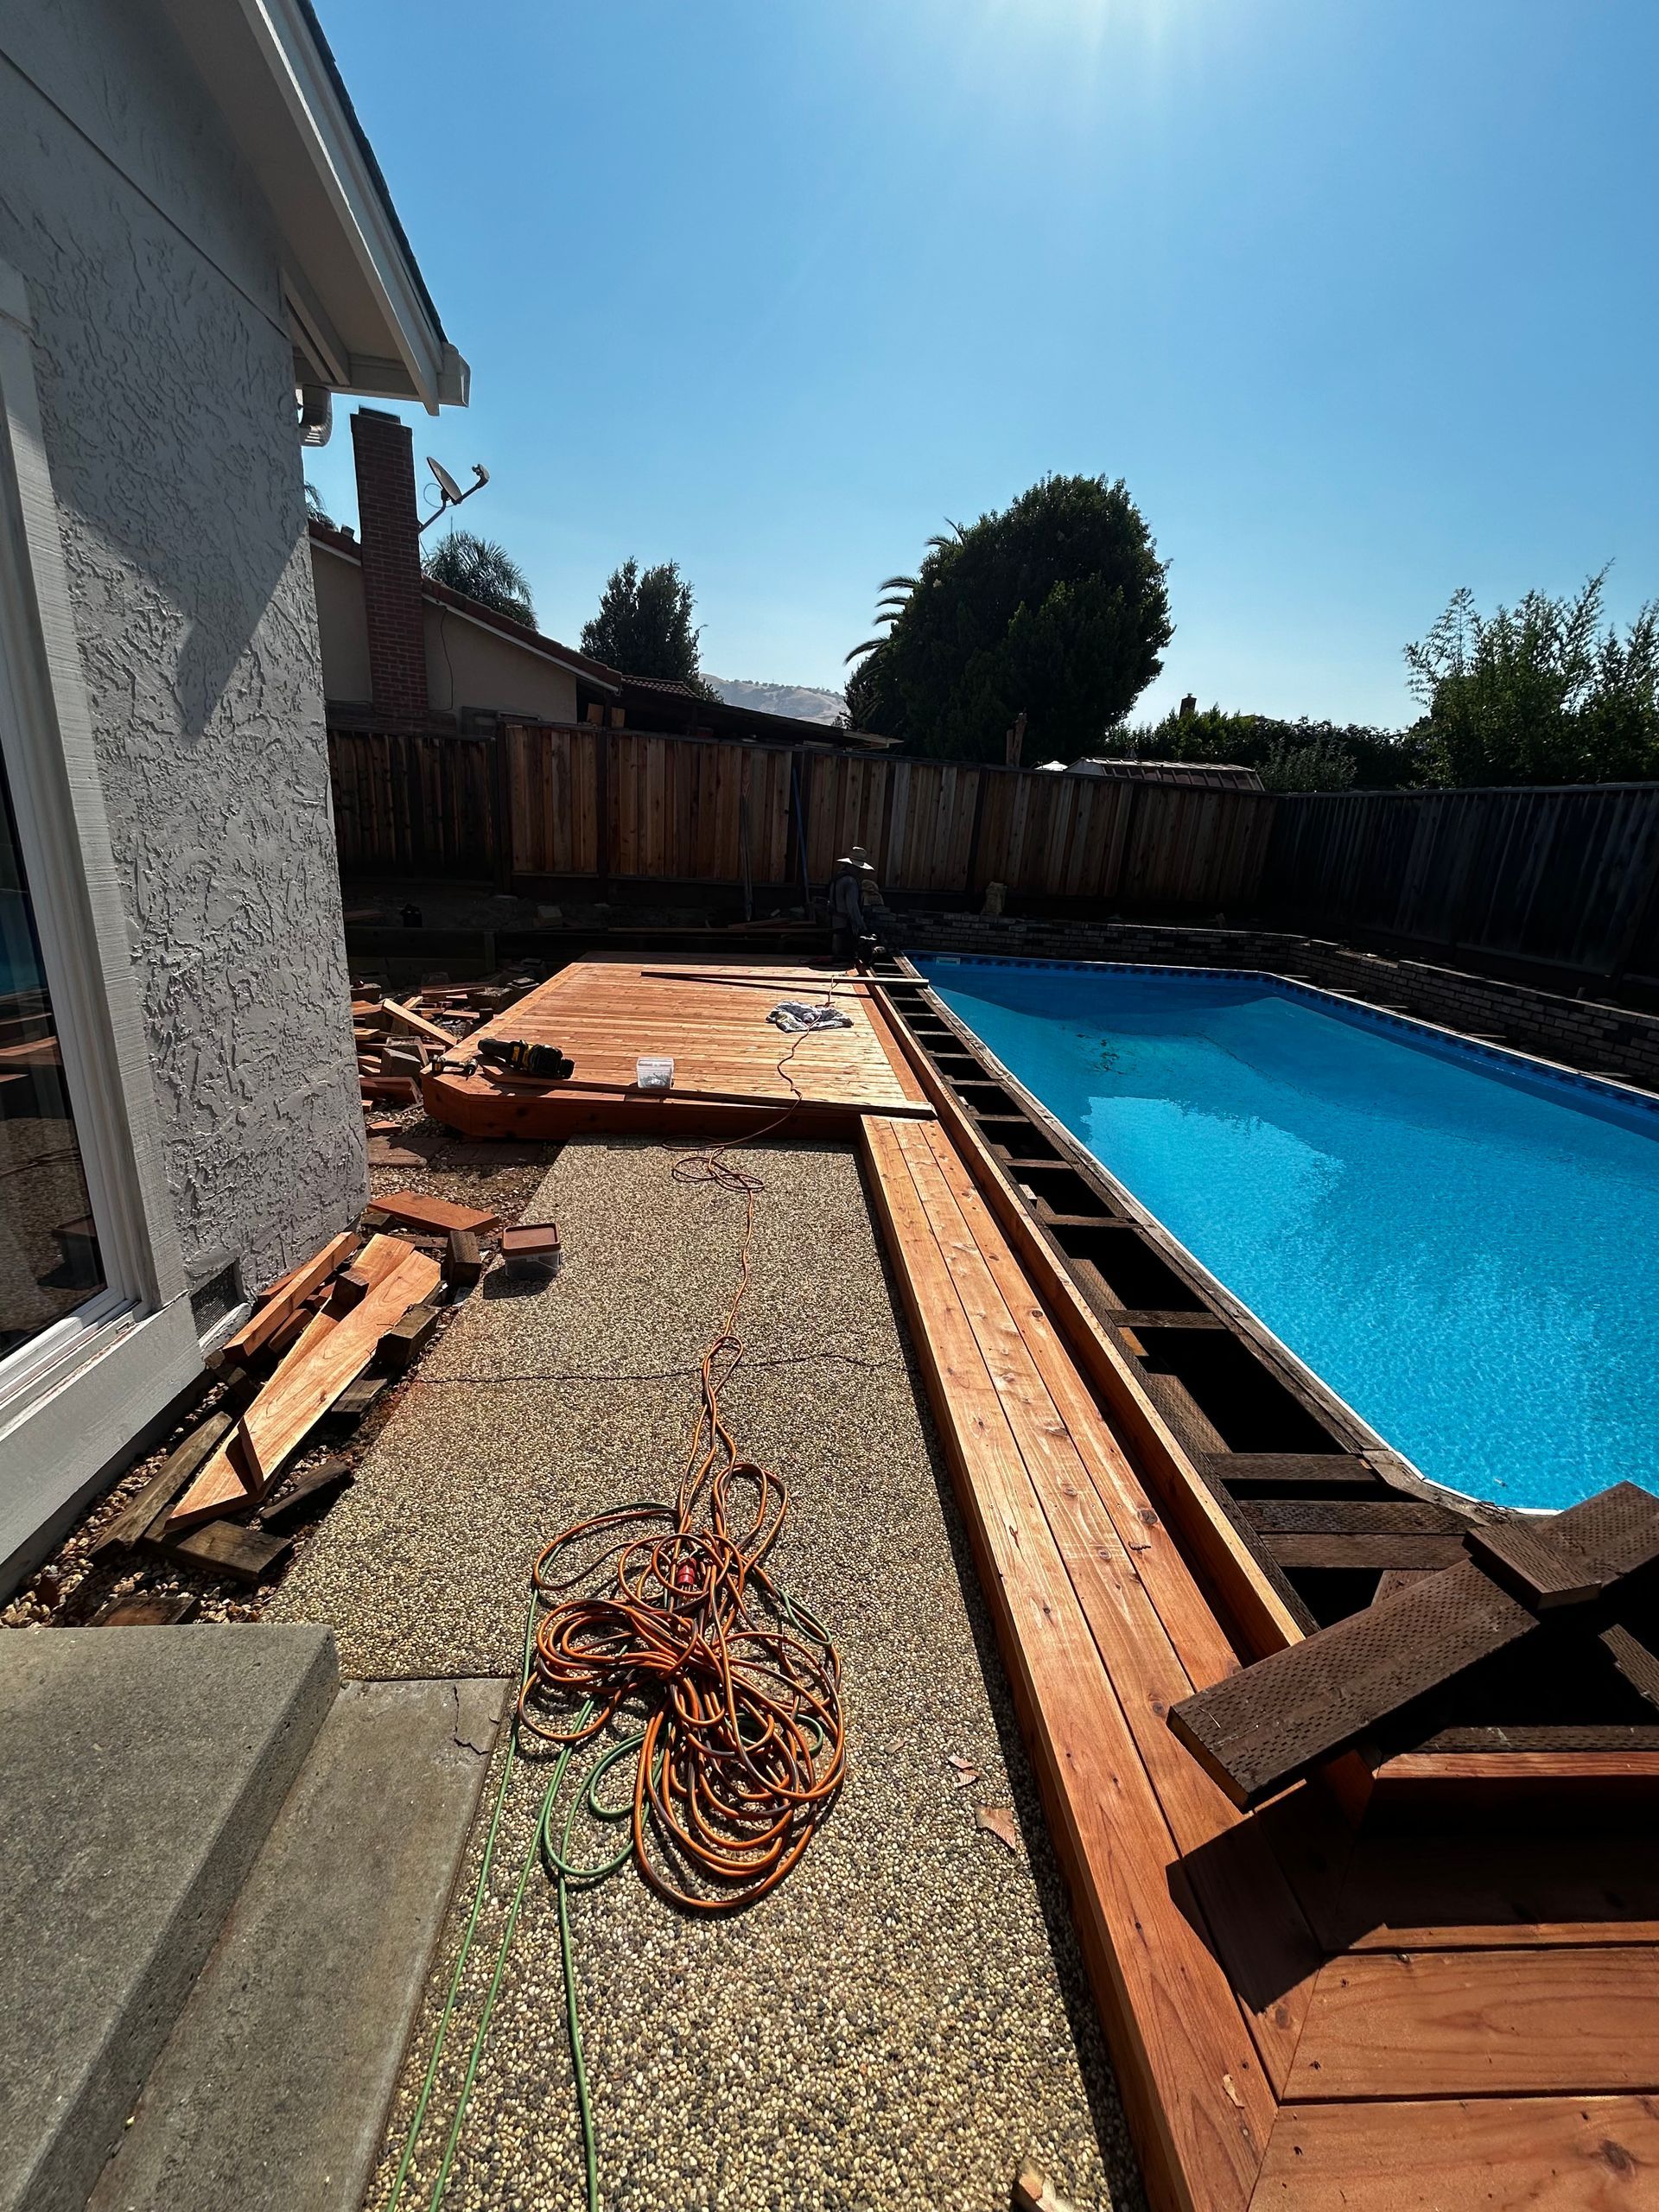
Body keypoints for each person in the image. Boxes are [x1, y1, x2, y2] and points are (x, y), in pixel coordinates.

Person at [827, 846, 880, 963]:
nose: (860, 872)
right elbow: (852, 907)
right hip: (846, 925)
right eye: (858, 868)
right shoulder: (850, 882)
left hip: (835, 922)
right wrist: (862, 928)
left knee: (837, 957)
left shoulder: (837, 878)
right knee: (845, 960)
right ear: (852, 867)